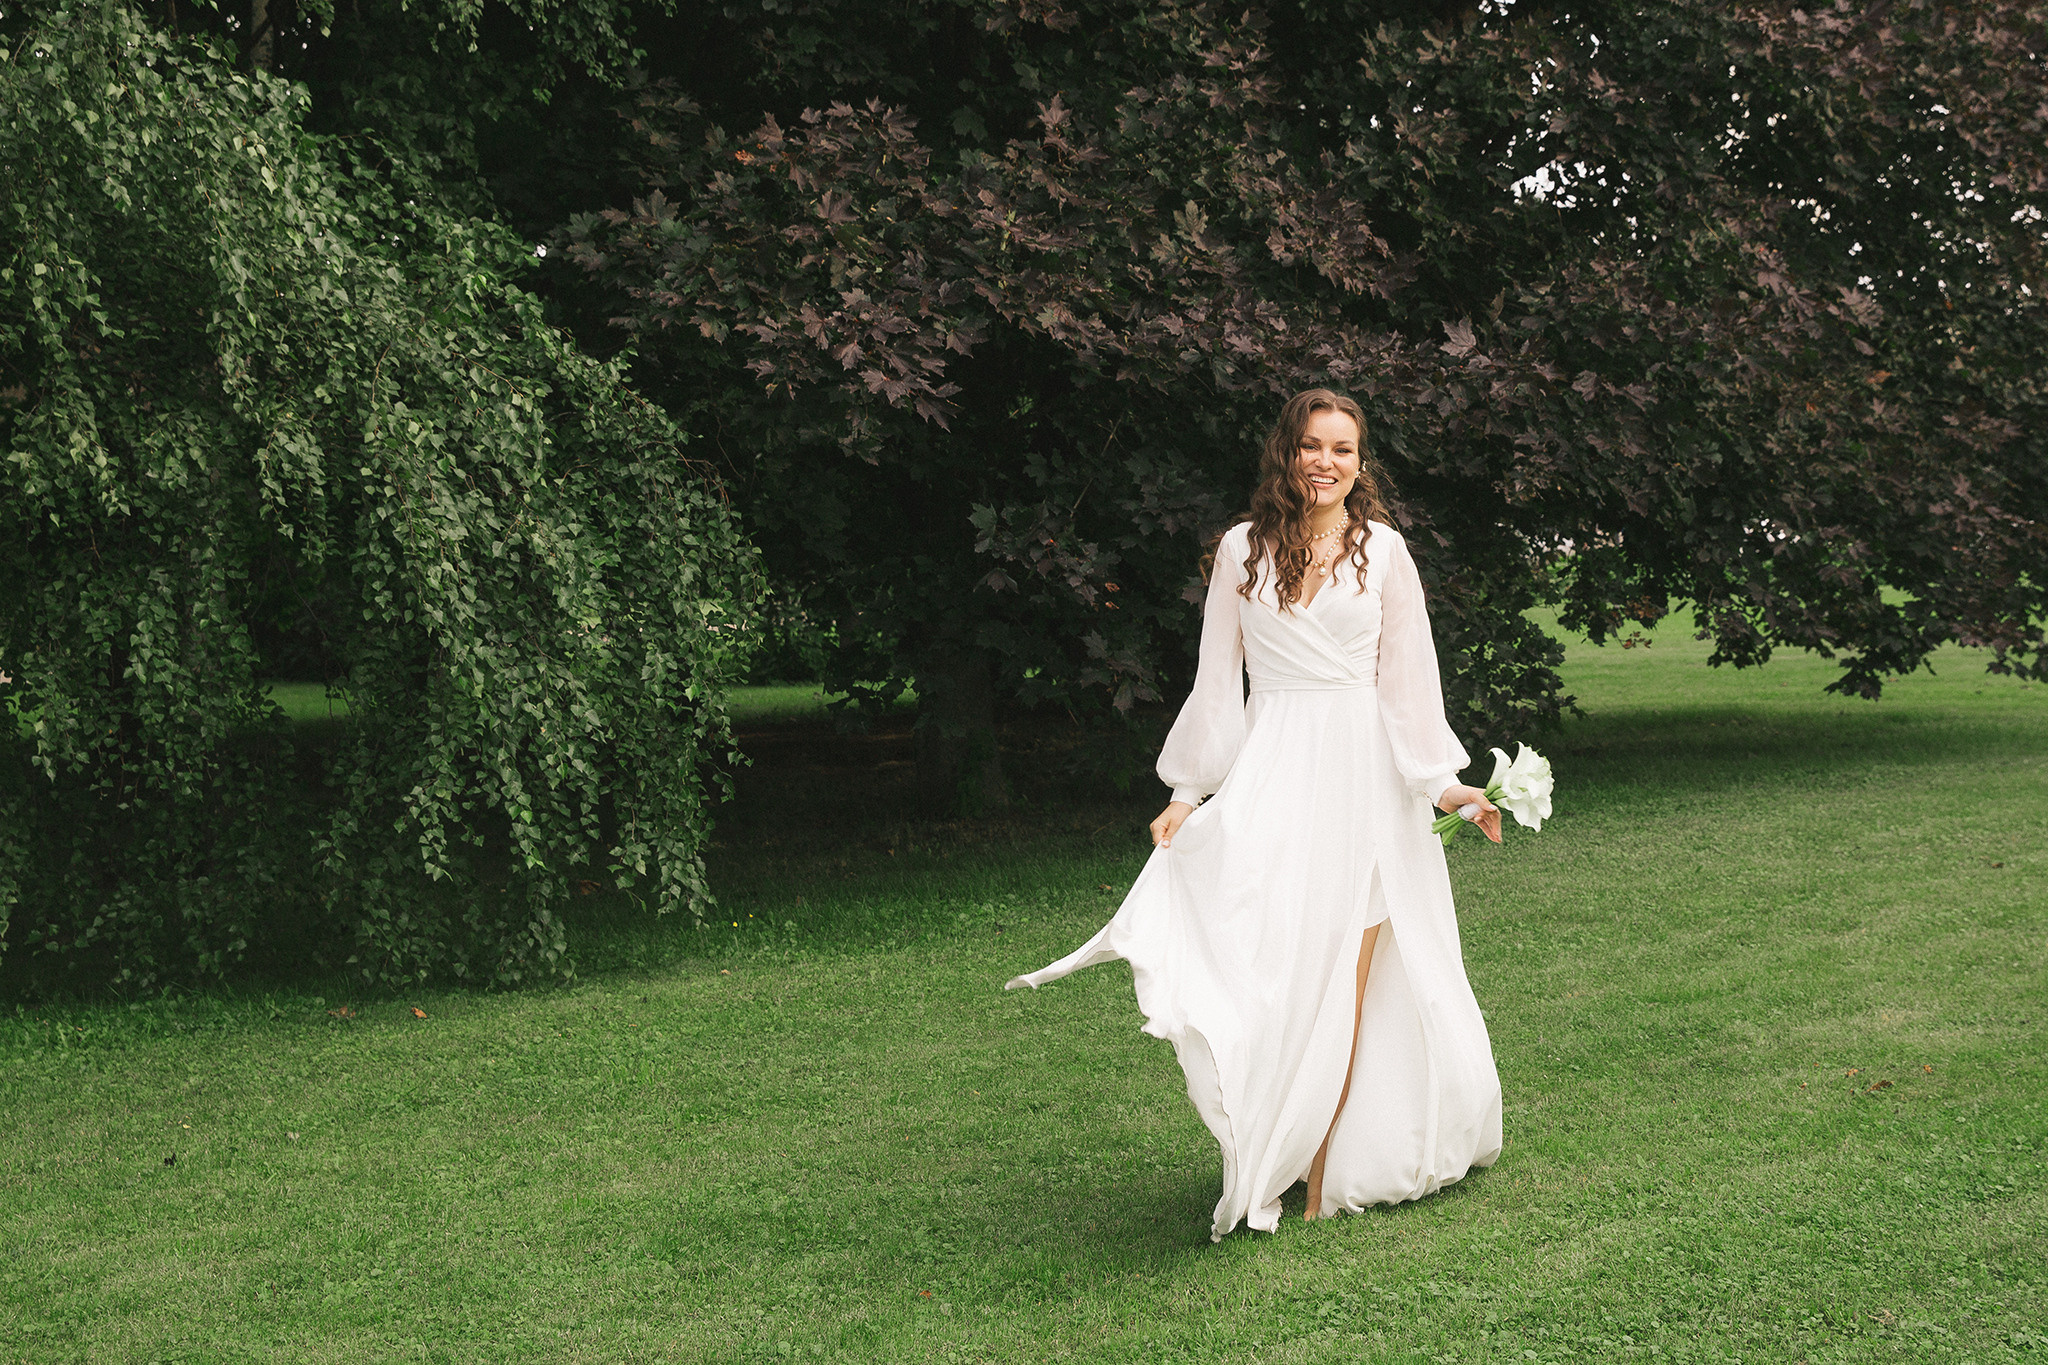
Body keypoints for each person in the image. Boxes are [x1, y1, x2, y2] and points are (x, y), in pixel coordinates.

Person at [1007, 388, 1505, 1240]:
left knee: (1346, 971)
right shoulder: (1243, 548)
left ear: (1361, 463)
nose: (1326, 462)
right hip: (1276, 770)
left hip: (1365, 784)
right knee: (1274, 964)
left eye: (1343, 449)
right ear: (1288, 453)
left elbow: (1409, 687)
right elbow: (1216, 680)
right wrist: (1186, 793)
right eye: (1312, 446)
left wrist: (1448, 785)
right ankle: (1266, 1139)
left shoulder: (1383, 552)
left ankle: (1317, 1169)